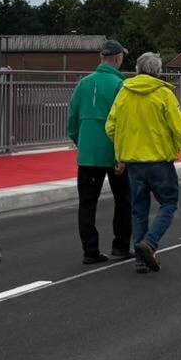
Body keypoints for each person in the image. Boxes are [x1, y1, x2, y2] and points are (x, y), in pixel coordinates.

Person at [106, 53, 181, 273]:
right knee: (169, 203)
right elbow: (180, 130)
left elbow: (111, 128)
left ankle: (140, 260)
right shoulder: (164, 94)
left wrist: (120, 156)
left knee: (138, 209)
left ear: (138, 70)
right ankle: (149, 243)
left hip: (133, 163)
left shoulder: (124, 93)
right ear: (158, 71)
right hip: (159, 162)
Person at [66, 40, 134, 265]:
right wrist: (122, 153)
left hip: (87, 154)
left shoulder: (83, 84)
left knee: (87, 203)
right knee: (123, 200)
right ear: (117, 59)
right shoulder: (120, 85)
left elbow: (72, 121)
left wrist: (82, 142)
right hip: (114, 153)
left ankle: (90, 251)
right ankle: (120, 246)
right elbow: (124, 123)